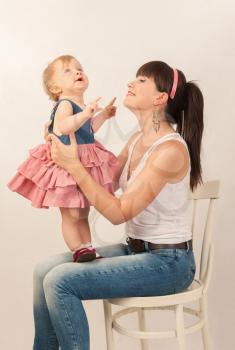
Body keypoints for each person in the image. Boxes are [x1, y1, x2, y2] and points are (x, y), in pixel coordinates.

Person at [33, 60, 204, 350]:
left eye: (141, 80)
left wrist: (74, 165)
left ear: (160, 98)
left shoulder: (170, 150)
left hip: (169, 264)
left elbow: (118, 212)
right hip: (134, 249)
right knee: (43, 271)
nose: (131, 84)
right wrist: (59, 149)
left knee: (61, 281)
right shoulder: (138, 140)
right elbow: (102, 187)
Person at [7, 55, 118, 262]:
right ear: (56, 89)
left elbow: (89, 129)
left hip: (83, 160)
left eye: (79, 68)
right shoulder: (65, 104)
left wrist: (103, 115)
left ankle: (88, 247)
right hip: (66, 160)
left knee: (84, 212)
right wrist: (86, 114)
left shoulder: (81, 106)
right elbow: (63, 127)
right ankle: (77, 249)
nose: (78, 72)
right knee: (71, 213)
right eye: (68, 71)